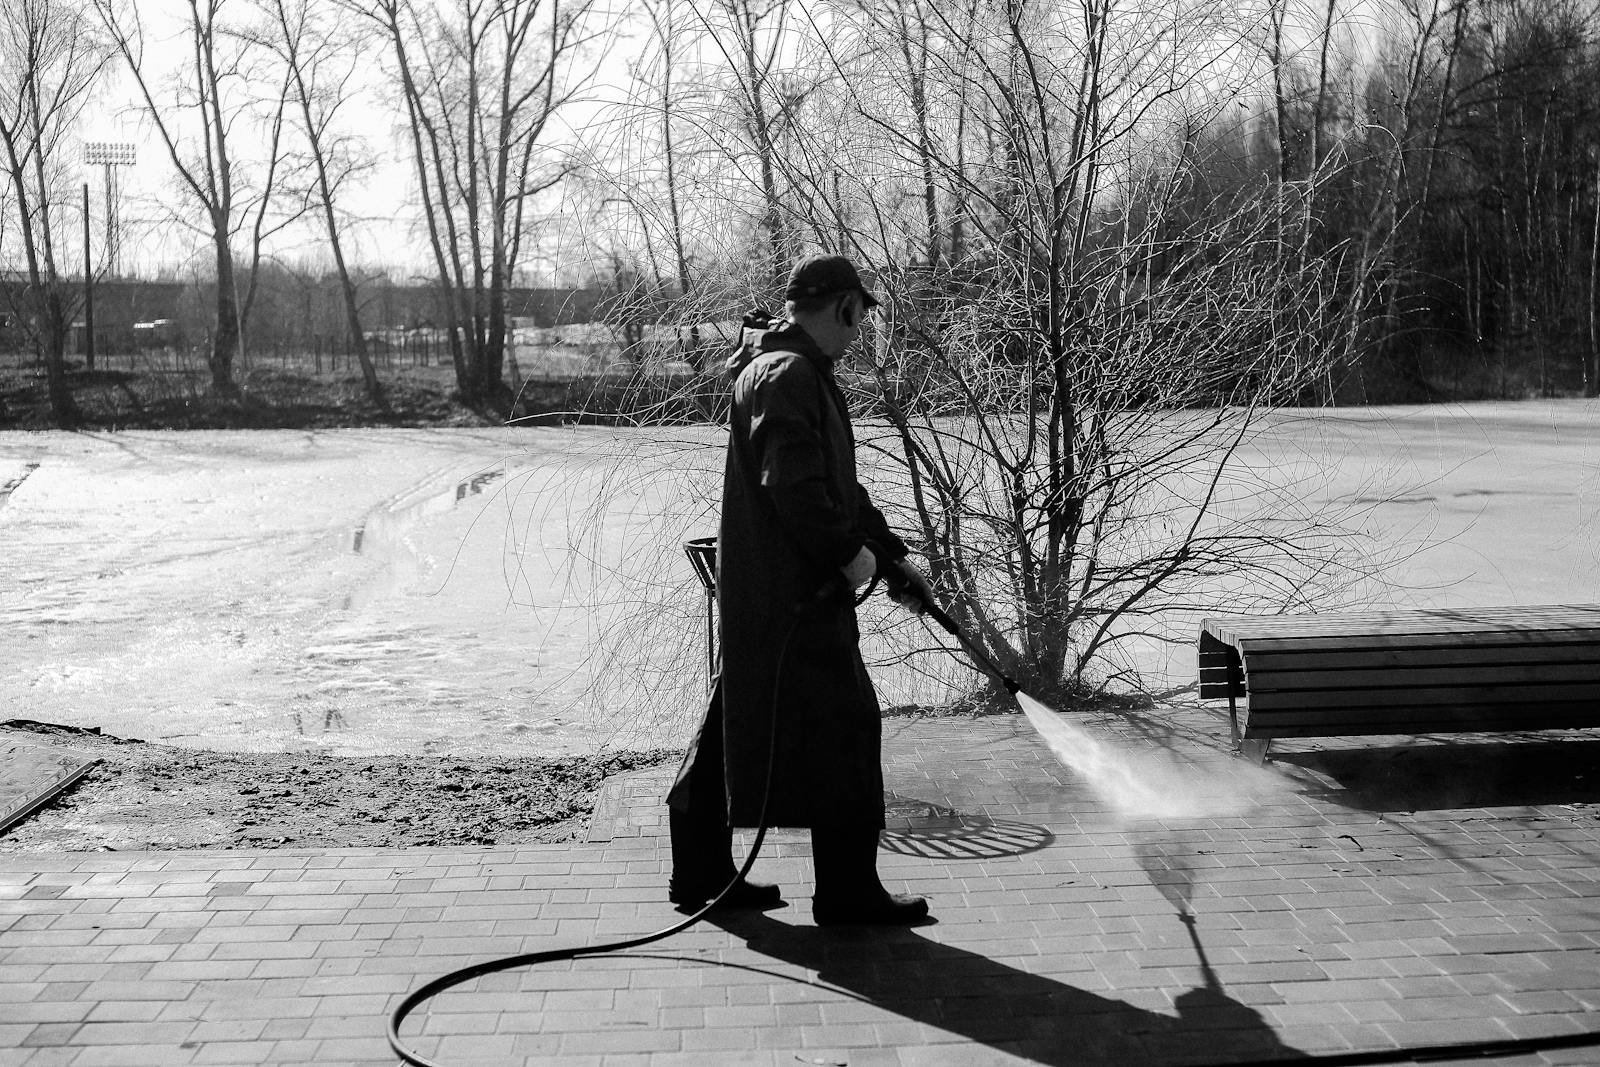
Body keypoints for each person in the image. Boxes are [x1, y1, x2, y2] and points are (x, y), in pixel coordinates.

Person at [665, 254, 936, 926]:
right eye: (860, 315)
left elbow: (835, 488)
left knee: (739, 715)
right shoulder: (790, 376)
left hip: (767, 594)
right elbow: (795, 487)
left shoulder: (778, 368)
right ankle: (847, 894)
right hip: (795, 598)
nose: (861, 330)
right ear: (844, 306)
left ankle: (699, 869)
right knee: (848, 725)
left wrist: (893, 557)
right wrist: (848, 556)